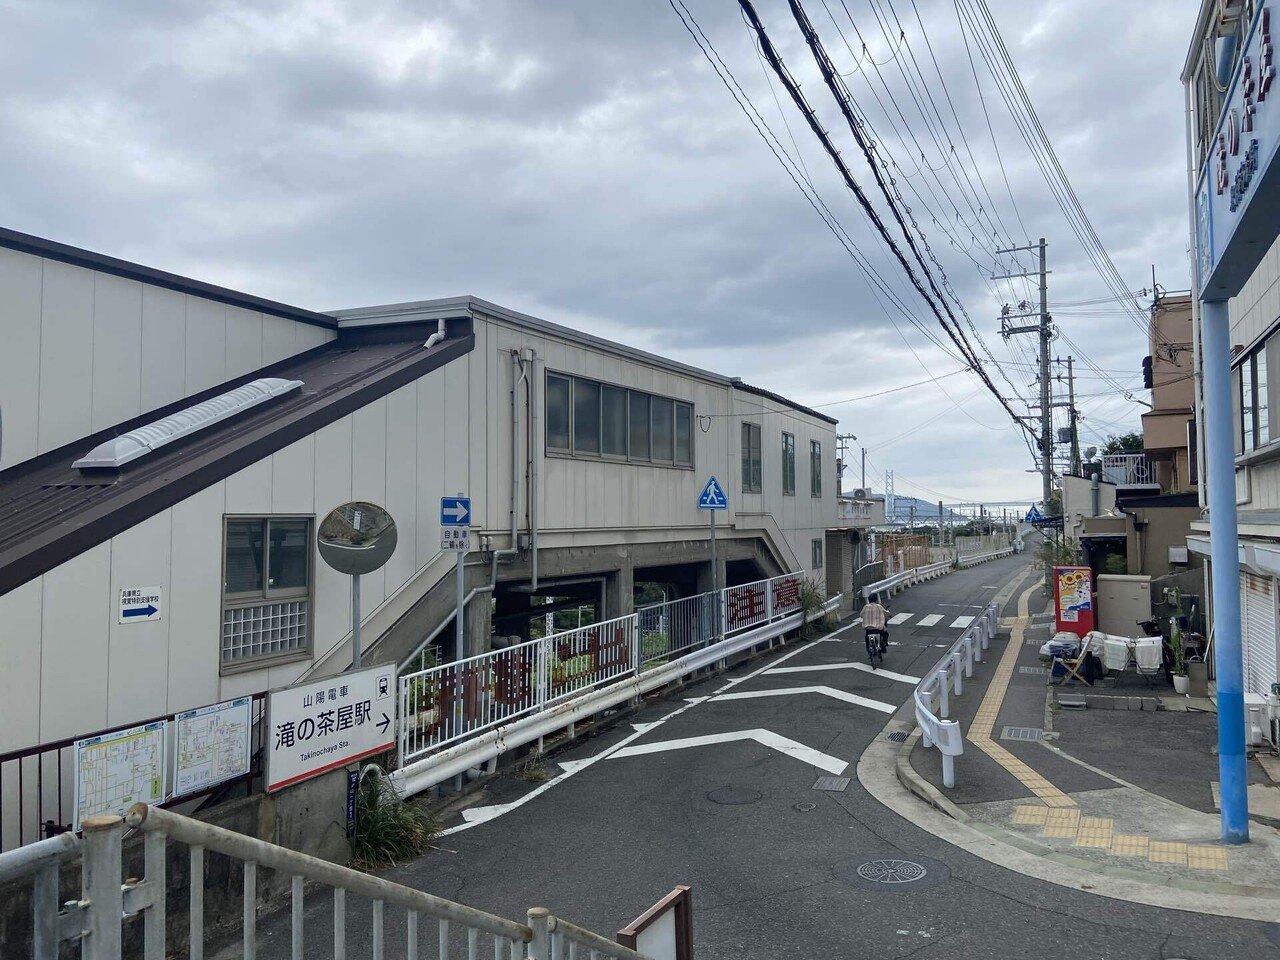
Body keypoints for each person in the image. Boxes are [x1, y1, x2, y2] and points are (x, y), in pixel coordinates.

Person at [862, 594, 889, 664]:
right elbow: (886, 614)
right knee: (885, 633)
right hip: (878, 628)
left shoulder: (865, 607)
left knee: (866, 639)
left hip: (868, 628)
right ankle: (884, 645)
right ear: (876, 600)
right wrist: (888, 613)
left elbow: (861, 615)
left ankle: (870, 652)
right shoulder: (879, 606)